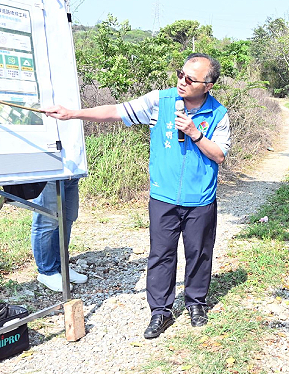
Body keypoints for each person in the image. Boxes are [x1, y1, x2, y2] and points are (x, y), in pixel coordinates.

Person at [43, 53, 231, 339]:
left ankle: (196, 303)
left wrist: (194, 133)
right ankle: (160, 311)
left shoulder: (219, 113)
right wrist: (72, 114)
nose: (182, 81)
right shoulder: (160, 101)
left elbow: (219, 155)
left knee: (199, 253)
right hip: (163, 196)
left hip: (200, 199)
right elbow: (116, 111)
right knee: (161, 254)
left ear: (208, 85)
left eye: (190, 79)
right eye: (180, 74)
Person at [32, 179, 88, 292]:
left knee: (67, 219)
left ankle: (61, 267)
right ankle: (46, 272)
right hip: (48, 175)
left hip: (71, 173)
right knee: (45, 223)